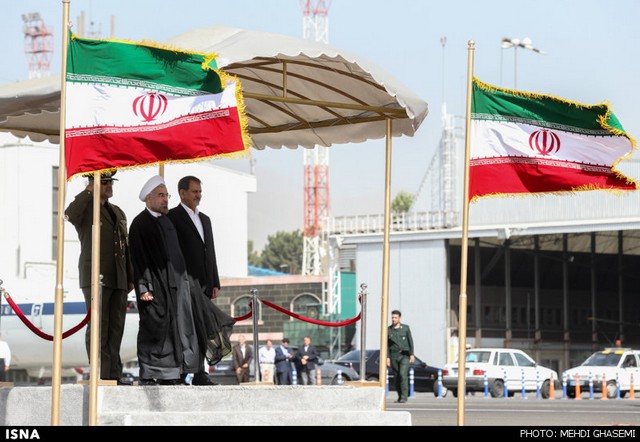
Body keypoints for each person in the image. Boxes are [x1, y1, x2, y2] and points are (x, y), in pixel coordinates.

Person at [128, 175, 201, 385]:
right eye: (161, 195)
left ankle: (171, 374)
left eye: (166, 195)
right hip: (153, 288)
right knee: (154, 329)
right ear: (148, 198)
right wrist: (144, 287)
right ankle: (149, 374)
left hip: (174, 287)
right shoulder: (140, 224)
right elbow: (138, 259)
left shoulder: (167, 221)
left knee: (174, 330)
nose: (165, 200)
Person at [64, 170, 134, 386]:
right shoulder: (86, 208)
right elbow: (70, 215)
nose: (109, 186)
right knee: (99, 326)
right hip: (96, 275)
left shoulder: (117, 211)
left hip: (118, 276)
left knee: (116, 327)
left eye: (110, 182)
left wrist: (130, 276)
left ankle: (114, 374)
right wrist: (88, 191)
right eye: (104, 182)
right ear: (93, 184)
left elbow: (125, 247)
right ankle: (101, 373)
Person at [167, 175, 233, 386]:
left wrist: (214, 282)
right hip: (184, 284)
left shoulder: (205, 219)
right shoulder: (172, 217)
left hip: (204, 284)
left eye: (200, 192)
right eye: (194, 191)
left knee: (202, 327)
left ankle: (200, 373)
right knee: (184, 328)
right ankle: (180, 372)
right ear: (182, 193)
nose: (198, 196)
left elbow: (210, 252)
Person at [386, 309, 414, 403]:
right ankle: (400, 396)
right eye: (392, 317)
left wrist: (411, 354)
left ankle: (404, 396)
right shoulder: (389, 330)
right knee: (396, 376)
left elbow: (410, 341)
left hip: (404, 355)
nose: (393, 319)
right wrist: (387, 357)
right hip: (394, 355)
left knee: (402, 374)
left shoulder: (405, 328)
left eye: (395, 317)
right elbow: (386, 345)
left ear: (399, 318)